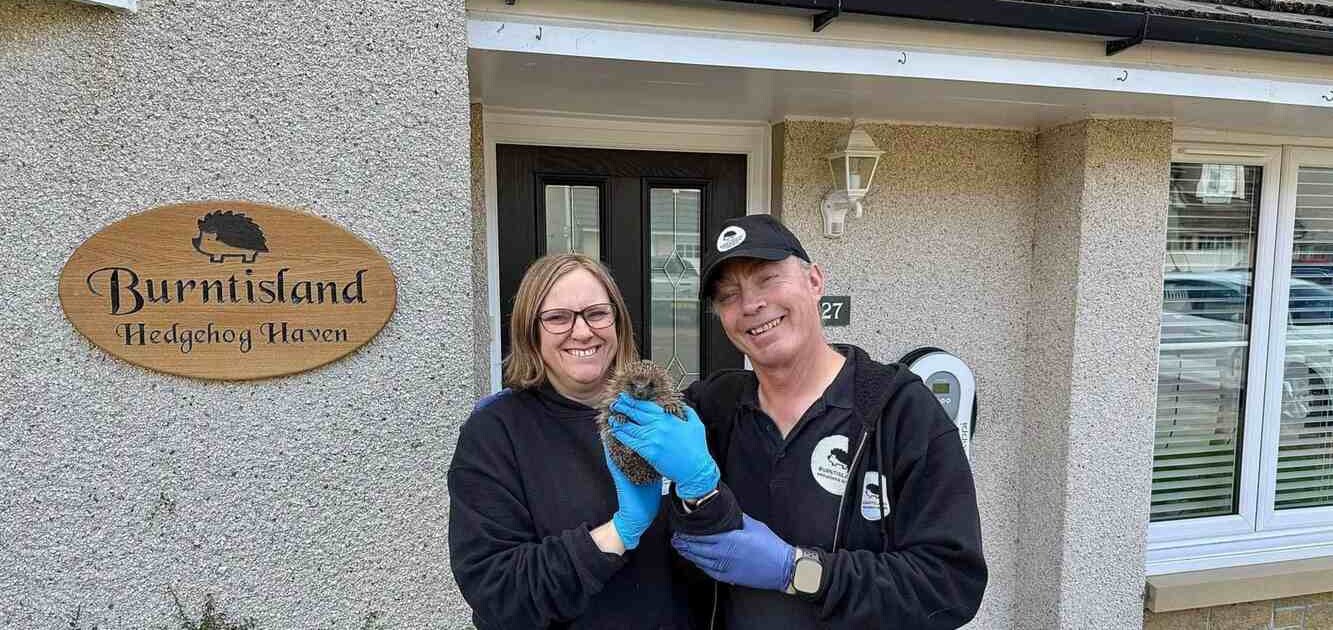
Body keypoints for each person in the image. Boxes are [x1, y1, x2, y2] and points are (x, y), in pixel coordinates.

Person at [607, 215, 987, 629]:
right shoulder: (711, 408)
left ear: (815, 281)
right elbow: (685, 542)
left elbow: (950, 586)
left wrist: (799, 570)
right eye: (729, 296)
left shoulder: (899, 411)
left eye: (767, 279)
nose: (751, 305)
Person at [448, 253, 690, 629]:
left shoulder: (658, 415)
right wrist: (617, 533)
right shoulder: (496, 432)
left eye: (596, 313)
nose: (582, 332)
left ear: (617, 322)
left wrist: (704, 493)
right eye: (558, 318)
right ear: (532, 332)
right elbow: (496, 589)